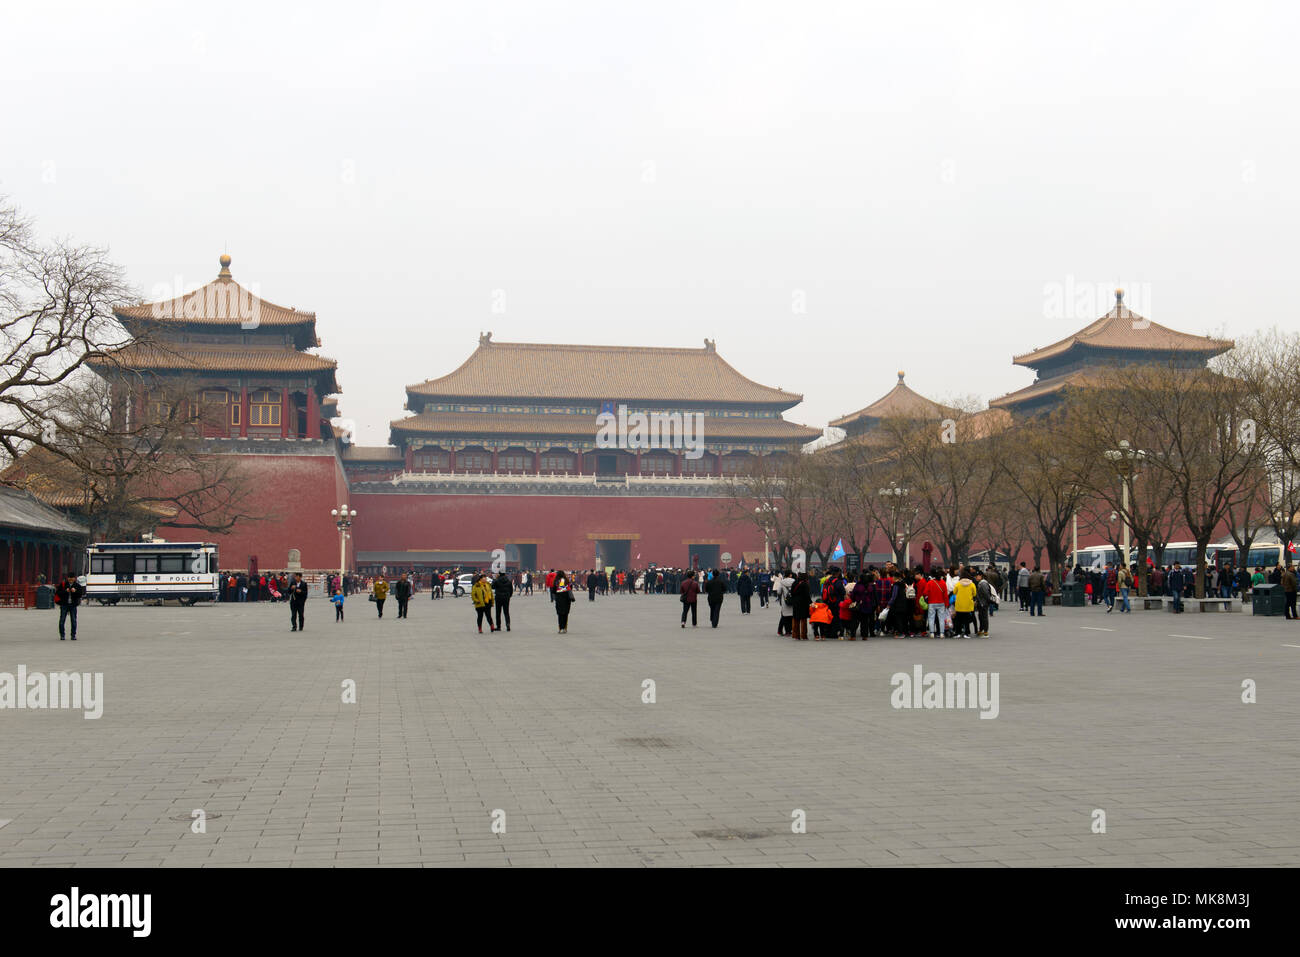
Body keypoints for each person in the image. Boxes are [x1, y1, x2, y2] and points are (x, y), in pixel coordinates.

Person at [54, 571, 84, 641]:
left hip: (73, 605)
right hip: (64, 604)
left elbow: (80, 595)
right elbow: (57, 593)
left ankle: (73, 635)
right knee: (62, 620)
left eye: (72, 578)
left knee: (73, 620)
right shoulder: (63, 585)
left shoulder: (77, 586)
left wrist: (75, 591)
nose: (71, 579)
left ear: (75, 578)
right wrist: (65, 591)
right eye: (69, 578)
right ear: (67, 578)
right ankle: (62, 635)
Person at [952, 571, 977, 637]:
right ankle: (966, 633)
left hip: (959, 605)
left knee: (958, 620)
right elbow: (974, 593)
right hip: (968, 605)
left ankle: (958, 633)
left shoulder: (958, 584)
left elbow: (954, 592)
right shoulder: (972, 584)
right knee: (966, 620)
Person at [790, 572, 811, 640]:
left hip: (796, 603)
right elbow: (807, 595)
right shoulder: (805, 584)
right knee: (803, 620)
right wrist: (810, 602)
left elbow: (792, 593)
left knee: (796, 619)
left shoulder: (795, 583)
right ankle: (803, 635)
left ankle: (796, 635)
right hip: (803, 603)